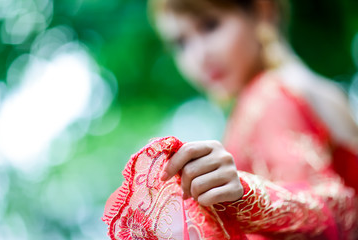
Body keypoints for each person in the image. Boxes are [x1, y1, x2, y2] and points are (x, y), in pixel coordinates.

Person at [102, 0, 358, 239]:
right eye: (181, 43)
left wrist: (247, 194)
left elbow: (333, 210)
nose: (198, 56)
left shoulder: (268, 96)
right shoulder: (308, 88)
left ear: (262, 11)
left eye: (210, 25)